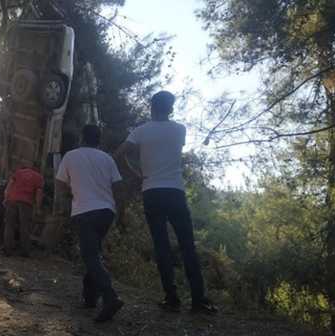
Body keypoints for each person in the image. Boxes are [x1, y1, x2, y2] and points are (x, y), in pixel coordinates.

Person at [116, 90, 217, 314]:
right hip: (175, 191)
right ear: (170, 108)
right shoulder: (180, 130)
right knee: (187, 245)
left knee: (161, 246)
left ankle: (171, 299)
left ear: (151, 106)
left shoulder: (140, 131)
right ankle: (198, 300)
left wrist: (135, 173)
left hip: (151, 191)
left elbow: (120, 153)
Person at [55, 124, 125, 323]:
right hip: (106, 212)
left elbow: (59, 184)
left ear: (82, 138)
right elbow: (118, 186)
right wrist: (121, 212)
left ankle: (110, 297)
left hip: (84, 211)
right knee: (93, 253)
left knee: (90, 255)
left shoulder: (70, 156)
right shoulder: (107, 158)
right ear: (98, 140)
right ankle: (90, 297)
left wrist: (71, 193)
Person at [3, 163, 43, 257]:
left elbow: (10, 185)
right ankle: (25, 251)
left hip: (12, 200)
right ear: (37, 168)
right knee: (24, 227)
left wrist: (6, 198)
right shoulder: (38, 177)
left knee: (9, 225)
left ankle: (7, 250)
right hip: (26, 203)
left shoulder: (18, 172)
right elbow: (39, 193)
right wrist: (38, 207)